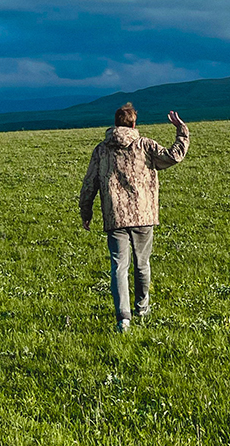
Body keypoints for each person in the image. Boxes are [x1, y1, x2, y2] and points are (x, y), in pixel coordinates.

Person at [79, 103, 190, 332]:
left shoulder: (101, 150)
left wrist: (86, 212)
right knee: (142, 264)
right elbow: (174, 156)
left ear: (116, 122)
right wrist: (181, 131)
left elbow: (90, 183)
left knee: (119, 267)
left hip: (115, 216)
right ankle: (142, 307)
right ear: (133, 123)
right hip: (143, 214)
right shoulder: (145, 145)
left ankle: (123, 319)